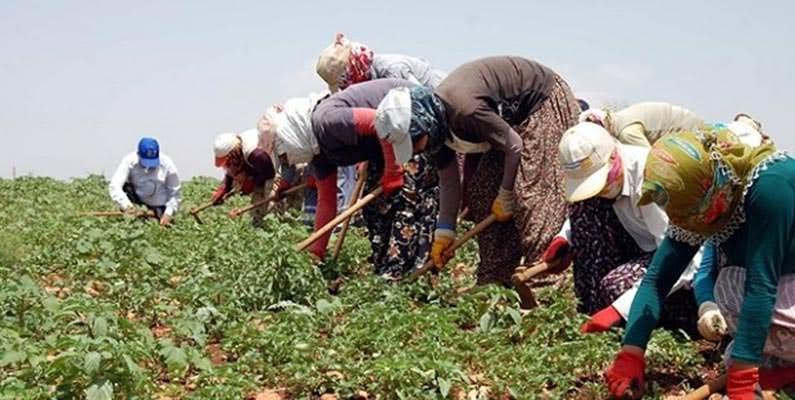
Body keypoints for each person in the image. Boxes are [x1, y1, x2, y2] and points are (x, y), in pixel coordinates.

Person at [604, 127, 795, 398]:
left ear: (715, 182)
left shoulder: (770, 187)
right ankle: (779, 364)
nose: (697, 226)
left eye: (699, 215)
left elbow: (760, 285)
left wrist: (741, 379)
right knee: (729, 286)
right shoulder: (700, 197)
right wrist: (630, 354)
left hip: (780, 280)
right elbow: (656, 281)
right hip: (783, 286)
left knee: (734, 286)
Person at [386, 56, 579, 286]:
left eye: (415, 142)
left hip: (542, 101)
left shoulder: (464, 109)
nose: (417, 150)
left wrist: (506, 194)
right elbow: (449, 181)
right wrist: (444, 231)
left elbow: (514, 145)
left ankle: (544, 286)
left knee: (532, 195)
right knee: (482, 194)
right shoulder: (434, 131)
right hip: (508, 124)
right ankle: (495, 282)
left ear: (423, 123)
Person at [265, 78, 439, 279]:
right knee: (374, 209)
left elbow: (379, 120)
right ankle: (385, 268)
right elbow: (327, 203)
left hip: (410, 124)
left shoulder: (326, 121)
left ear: (292, 139)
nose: (288, 161)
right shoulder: (319, 153)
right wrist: (316, 252)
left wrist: (393, 170)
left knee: (406, 205)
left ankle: (409, 275)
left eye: (284, 155)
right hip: (387, 143)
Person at [552, 122, 700, 335]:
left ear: (614, 157)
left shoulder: (651, 179)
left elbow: (683, 261)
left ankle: (632, 323)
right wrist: (565, 238)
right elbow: (583, 221)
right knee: (583, 206)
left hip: (677, 270)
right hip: (636, 247)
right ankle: (590, 312)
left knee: (615, 287)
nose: (599, 189)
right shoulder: (606, 188)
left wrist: (618, 309)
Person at [315, 33, 446, 92]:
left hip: (447, 103)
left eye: (343, 82)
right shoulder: (371, 78)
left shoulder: (391, 69)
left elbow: (424, 99)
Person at [210, 129, 278, 227]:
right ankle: (258, 227)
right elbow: (230, 171)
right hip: (259, 170)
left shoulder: (256, 154)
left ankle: (274, 226)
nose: (228, 164)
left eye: (228, 161)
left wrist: (251, 183)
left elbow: (269, 173)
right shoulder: (236, 150)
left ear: (233, 154)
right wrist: (224, 189)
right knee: (256, 211)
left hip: (272, 171)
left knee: (271, 205)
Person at [108, 137, 180, 226]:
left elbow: (175, 193)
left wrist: (168, 213)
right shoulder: (129, 161)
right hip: (137, 203)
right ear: (138, 154)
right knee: (126, 187)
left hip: (160, 206)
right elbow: (115, 186)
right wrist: (127, 207)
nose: (148, 167)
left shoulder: (167, 164)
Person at [579, 101, 703, 147]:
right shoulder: (621, 117)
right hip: (692, 124)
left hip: (690, 133)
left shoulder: (626, 132)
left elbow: (648, 160)